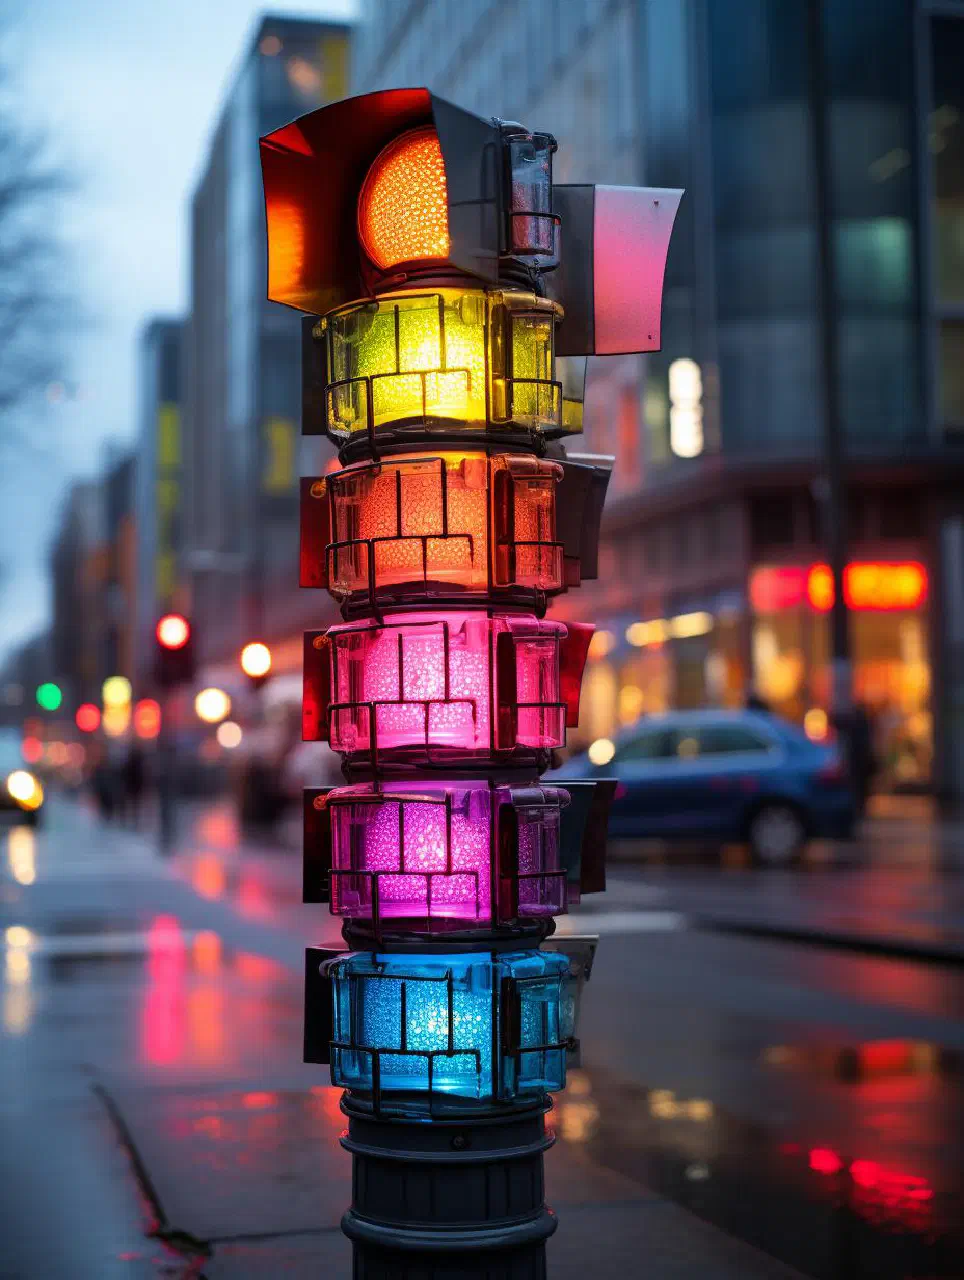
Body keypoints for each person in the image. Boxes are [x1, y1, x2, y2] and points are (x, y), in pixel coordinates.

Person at [122, 742, 146, 827]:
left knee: (132, 803)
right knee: (135, 804)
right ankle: (134, 820)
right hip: (135, 785)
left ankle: (131, 820)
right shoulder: (139, 763)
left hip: (133, 785)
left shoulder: (130, 763)